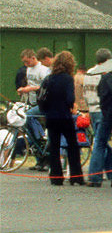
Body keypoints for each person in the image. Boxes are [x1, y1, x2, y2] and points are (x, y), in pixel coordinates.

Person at [37, 51, 82, 186]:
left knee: (54, 146)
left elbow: (41, 96)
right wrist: (70, 106)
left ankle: (56, 176)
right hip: (64, 116)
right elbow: (70, 98)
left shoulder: (49, 78)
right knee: (72, 146)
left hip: (51, 116)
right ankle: (76, 176)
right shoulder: (68, 78)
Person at [83, 49, 112, 186]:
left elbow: (85, 93)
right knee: (100, 144)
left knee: (103, 141)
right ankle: (95, 176)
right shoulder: (104, 74)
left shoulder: (88, 73)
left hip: (92, 109)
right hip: (102, 110)